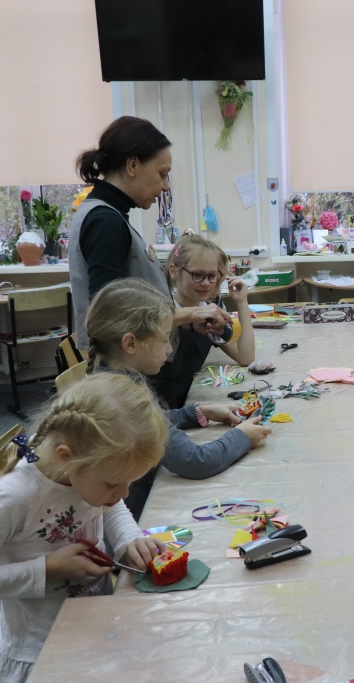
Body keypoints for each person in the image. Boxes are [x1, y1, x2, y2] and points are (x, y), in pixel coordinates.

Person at [0, 374, 168, 683]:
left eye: (129, 482)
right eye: (114, 484)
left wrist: (128, 537)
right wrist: (47, 569)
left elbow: (109, 504)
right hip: (41, 653)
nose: (123, 494)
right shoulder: (14, 498)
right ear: (66, 458)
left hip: (95, 627)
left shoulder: (83, 468)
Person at [85, 279, 272, 518]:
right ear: (130, 343)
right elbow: (195, 461)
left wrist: (196, 412)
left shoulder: (109, 381)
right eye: (164, 339)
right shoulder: (126, 400)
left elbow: (152, 422)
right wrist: (242, 437)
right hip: (138, 513)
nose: (170, 349)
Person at [68, 116, 229, 349]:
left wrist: (188, 323)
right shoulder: (105, 222)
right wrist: (190, 314)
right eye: (162, 174)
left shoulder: (108, 215)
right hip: (121, 364)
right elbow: (111, 316)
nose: (165, 186)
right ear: (133, 166)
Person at [152, 232, 256, 409]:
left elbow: (245, 356)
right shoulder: (160, 311)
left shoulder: (209, 310)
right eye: (198, 275)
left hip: (190, 402)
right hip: (161, 409)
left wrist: (242, 302)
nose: (207, 283)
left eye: (212, 276)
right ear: (174, 271)